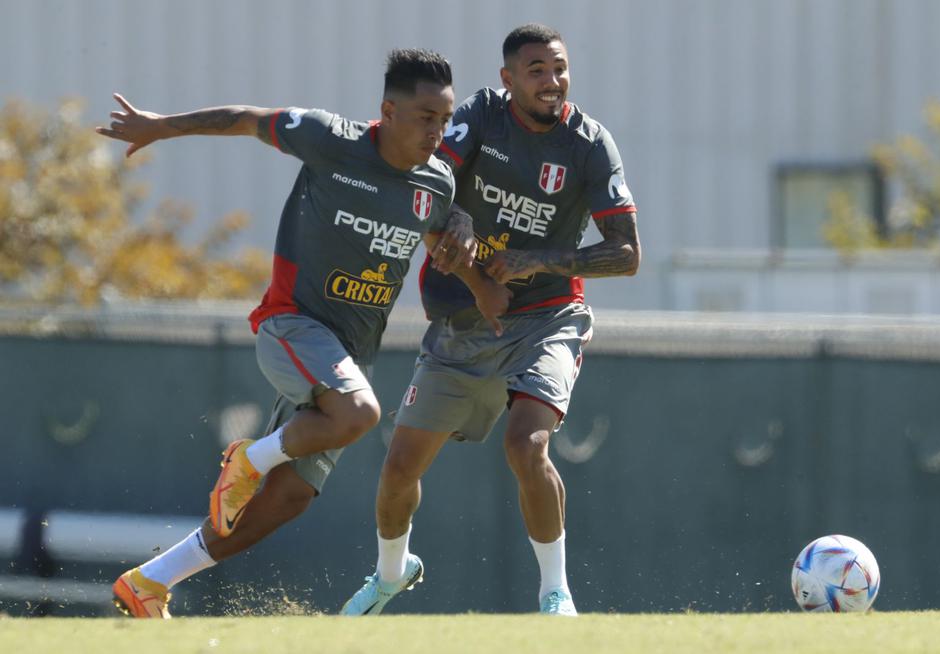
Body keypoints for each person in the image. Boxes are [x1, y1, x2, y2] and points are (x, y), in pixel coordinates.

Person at [96, 48, 509, 618]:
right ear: (387, 110)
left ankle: (149, 582)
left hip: (345, 359)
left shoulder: (435, 182)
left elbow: (443, 235)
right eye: (424, 117)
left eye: (444, 119)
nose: (437, 132)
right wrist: (160, 127)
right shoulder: (329, 139)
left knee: (289, 498)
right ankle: (248, 460)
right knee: (360, 416)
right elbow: (245, 117)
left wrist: (481, 282)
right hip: (293, 324)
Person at [340, 24, 640, 617]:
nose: (552, 82)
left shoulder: (589, 144)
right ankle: (390, 574)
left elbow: (627, 254)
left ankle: (556, 593)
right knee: (399, 468)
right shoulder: (478, 115)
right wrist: (459, 225)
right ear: (508, 80)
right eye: (536, 71)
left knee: (526, 446)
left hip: (547, 317)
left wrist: (540, 259)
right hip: (460, 322)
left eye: (559, 69)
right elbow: (428, 183)